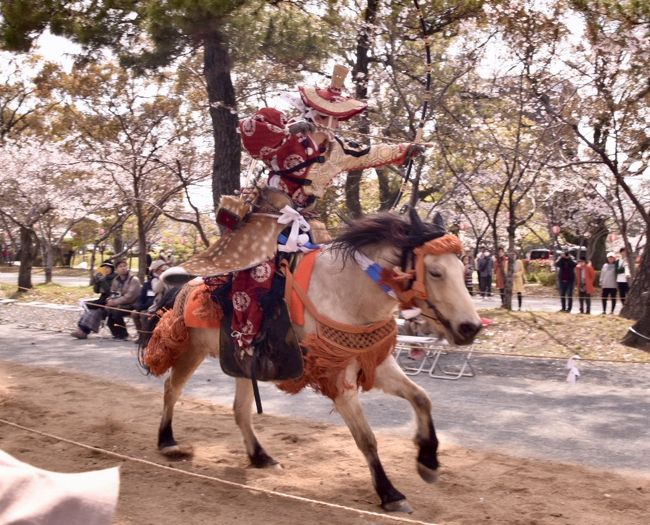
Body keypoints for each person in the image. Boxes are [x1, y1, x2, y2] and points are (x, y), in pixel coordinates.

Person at [177, 65, 428, 353]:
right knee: (258, 269)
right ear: (311, 113)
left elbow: (373, 154)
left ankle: (334, 331)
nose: (330, 125)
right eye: (324, 117)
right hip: (268, 216)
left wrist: (406, 150)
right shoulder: (286, 138)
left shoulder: (341, 150)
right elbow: (253, 134)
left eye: (336, 119)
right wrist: (284, 129)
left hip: (307, 220)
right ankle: (246, 335)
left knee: (345, 265)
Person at [71, 261, 116, 339]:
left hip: (111, 300)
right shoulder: (103, 276)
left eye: (108, 268)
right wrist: (97, 281)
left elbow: (110, 292)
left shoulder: (115, 278)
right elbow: (96, 291)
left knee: (95, 309)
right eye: (104, 268)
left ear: (112, 268)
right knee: (90, 309)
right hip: (102, 299)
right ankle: (82, 331)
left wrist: (103, 281)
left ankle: (83, 331)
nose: (106, 269)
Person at [131, 260, 169, 344]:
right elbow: (141, 298)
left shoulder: (167, 281)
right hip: (148, 307)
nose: (163, 270)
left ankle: (147, 338)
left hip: (160, 306)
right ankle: (141, 336)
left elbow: (157, 293)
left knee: (144, 315)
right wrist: (139, 307)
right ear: (155, 270)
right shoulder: (148, 283)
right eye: (161, 269)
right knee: (134, 313)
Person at [105, 260, 141, 340]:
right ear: (116, 270)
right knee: (108, 310)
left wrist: (114, 302)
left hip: (133, 304)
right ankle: (116, 333)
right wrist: (109, 300)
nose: (123, 268)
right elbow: (113, 293)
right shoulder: (115, 280)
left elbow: (129, 297)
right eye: (120, 266)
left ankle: (123, 334)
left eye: (124, 266)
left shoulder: (134, 280)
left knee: (116, 312)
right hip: (120, 304)